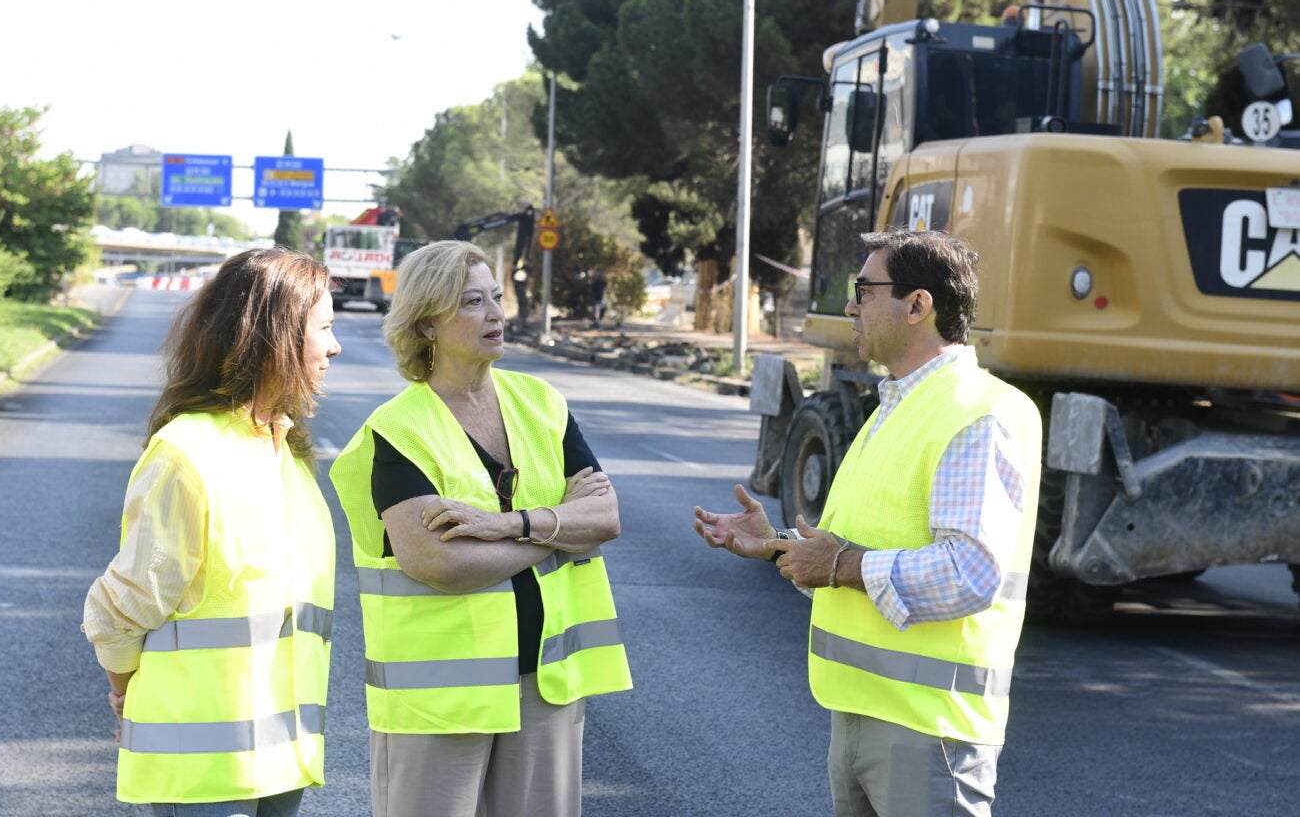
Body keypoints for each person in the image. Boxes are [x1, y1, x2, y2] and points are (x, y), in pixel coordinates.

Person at [694, 229, 1041, 817]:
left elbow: (968, 573)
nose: (851, 305)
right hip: (861, 713)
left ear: (917, 305)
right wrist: (779, 546)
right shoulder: (895, 406)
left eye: (863, 289)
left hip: (929, 726)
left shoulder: (978, 413)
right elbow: (858, 547)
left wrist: (837, 565)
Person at [330, 240, 632, 817]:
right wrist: (558, 532)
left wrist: (506, 525)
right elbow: (439, 562)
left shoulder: (541, 402)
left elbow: (606, 518)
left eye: (497, 296)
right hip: (440, 696)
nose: (496, 313)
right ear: (426, 325)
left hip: (546, 681)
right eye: (472, 301)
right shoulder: (399, 429)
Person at [83, 248, 342, 816]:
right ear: (275, 336)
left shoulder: (285, 450)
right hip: (201, 769)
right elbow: (124, 605)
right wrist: (125, 689)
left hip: (279, 753)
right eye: (323, 327)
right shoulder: (187, 453)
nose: (334, 345)